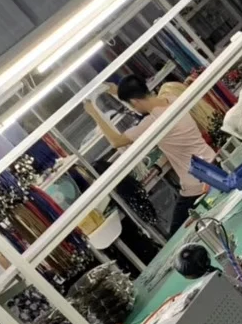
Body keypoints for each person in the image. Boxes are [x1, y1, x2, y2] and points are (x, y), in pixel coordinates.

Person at [83, 74, 217, 235]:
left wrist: (94, 113)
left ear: (133, 102)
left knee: (177, 235)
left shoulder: (153, 123)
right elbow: (141, 101)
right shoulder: (172, 99)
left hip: (197, 183)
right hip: (213, 164)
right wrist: (116, 91)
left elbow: (116, 141)